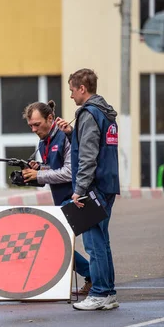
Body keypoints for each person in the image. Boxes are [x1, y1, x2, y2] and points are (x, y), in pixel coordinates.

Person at [56, 68, 120, 311]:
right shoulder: (105, 112)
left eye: (72, 90)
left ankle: (100, 292)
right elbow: (95, 145)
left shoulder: (89, 113)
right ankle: (108, 293)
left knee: (94, 243)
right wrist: (72, 134)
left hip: (93, 187)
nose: (71, 95)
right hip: (107, 183)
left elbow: (89, 156)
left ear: (82, 88)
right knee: (102, 241)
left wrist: (80, 188)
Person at [21, 100, 92, 296]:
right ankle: (93, 277)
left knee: (57, 241)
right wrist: (38, 169)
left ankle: (95, 278)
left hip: (78, 199)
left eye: (37, 124)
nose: (34, 129)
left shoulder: (65, 136)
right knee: (58, 242)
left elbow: (70, 172)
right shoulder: (43, 141)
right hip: (61, 201)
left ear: (50, 118)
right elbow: (52, 170)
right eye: (31, 126)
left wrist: (39, 175)